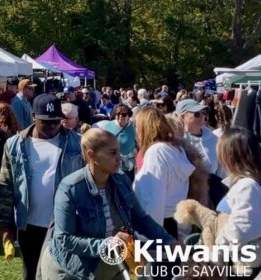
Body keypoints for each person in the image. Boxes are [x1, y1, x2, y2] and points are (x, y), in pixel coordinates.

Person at [39, 129, 175, 280]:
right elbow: (64, 239)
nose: (119, 158)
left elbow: (140, 219)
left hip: (112, 265)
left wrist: (168, 240)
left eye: (119, 152)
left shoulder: (121, 180)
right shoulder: (70, 188)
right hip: (71, 272)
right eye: (112, 153)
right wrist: (106, 244)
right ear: (91, 155)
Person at [0, 93, 84, 280]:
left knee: (61, 274)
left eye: (56, 121)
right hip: (29, 225)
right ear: (33, 117)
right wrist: (6, 226)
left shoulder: (77, 143)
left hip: (64, 225)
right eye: (46, 122)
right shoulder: (15, 145)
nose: (53, 126)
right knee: (31, 273)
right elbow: (5, 186)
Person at [132, 107, 208, 238]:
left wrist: (147, 238)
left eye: (137, 128)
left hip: (160, 227)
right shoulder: (174, 149)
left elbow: (153, 200)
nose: (136, 133)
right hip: (175, 224)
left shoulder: (156, 152)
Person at [214, 127, 261, 279]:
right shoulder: (245, 183)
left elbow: (242, 226)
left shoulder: (247, 185)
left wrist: (216, 247)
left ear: (231, 156)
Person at [96, 103, 137, 178]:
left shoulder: (134, 127)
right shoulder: (107, 126)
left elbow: (140, 145)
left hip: (128, 167)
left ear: (128, 116)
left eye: (124, 114)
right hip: (111, 165)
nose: (121, 116)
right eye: (118, 114)